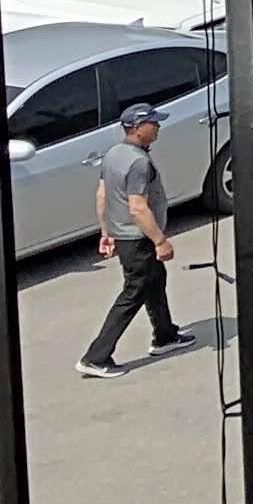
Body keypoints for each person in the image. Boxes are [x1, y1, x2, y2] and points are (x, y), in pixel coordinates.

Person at [79, 102, 188, 375]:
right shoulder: (139, 163)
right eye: (153, 122)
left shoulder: (114, 154)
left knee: (155, 281)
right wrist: (160, 241)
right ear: (138, 128)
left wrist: (106, 232)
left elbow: (102, 195)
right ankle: (96, 357)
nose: (158, 126)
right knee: (134, 291)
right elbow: (137, 207)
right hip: (138, 238)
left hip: (124, 235)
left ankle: (165, 335)